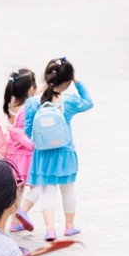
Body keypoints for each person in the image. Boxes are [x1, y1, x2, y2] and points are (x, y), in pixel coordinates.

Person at [24, 57, 92, 239]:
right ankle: (69, 226)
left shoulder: (33, 103)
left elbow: (27, 132)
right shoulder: (69, 101)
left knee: (48, 190)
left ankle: (50, 229)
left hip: (43, 154)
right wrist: (77, 80)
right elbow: (88, 102)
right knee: (68, 189)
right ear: (67, 82)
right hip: (65, 152)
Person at [0, 69, 39, 232]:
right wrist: (34, 145)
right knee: (37, 186)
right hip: (24, 155)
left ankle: (15, 222)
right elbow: (20, 134)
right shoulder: (26, 110)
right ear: (29, 90)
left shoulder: (10, 104)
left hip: (10, 155)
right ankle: (23, 211)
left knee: (18, 189)